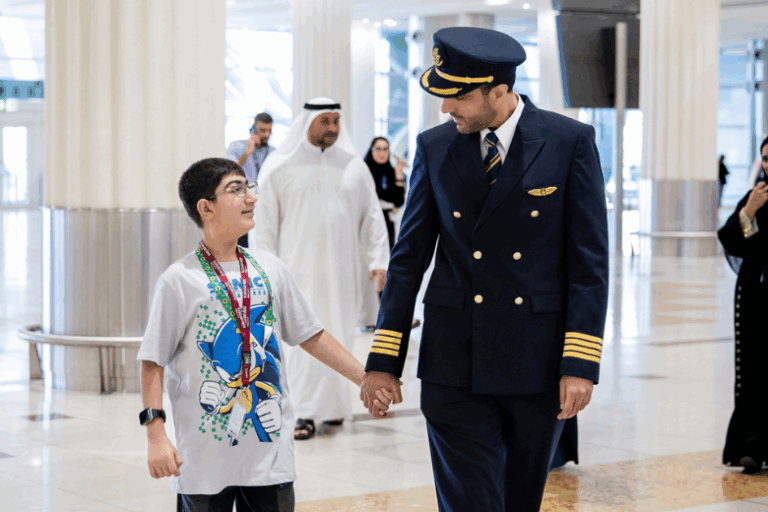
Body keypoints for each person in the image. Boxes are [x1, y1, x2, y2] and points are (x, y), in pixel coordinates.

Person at [360, 27, 609, 512]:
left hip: (535, 360)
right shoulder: (435, 147)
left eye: (457, 97)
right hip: (454, 361)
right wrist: (384, 360)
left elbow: (589, 264)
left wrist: (580, 364)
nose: (445, 108)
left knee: (519, 499)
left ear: (498, 91)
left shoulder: (568, 141)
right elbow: (408, 260)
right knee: (470, 502)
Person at [137, 158, 389, 512]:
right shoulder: (179, 280)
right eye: (236, 190)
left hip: (270, 458)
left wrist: (365, 378)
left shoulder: (269, 267)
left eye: (249, 187)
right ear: (206, 208)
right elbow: (152, 361)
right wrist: (156, 436)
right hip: (204, 461)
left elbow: (311, 335)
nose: (251, 197)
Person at [252, 98, 390, 440]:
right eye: (325, 120)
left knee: (339, 337)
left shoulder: (353, 167)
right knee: (300, 343)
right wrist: (264, 271)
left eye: (336, 121)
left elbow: (372, 217)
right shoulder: (280, 165)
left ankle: (334, 409)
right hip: (294, 275)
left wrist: (378, 261)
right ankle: (303, 413)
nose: (332, 127)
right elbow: (263, 224)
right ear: (307, 122)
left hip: (342, 274)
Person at [718, 136, 768, 474]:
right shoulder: (758, 195)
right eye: (765, 158)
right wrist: (749, 211)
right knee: (755, 369)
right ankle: (752, 446)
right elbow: (736, 240)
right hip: (758, 298)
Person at [226, 113, 276, 247]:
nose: (266, 135)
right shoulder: (237, 147)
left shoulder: (274, 153)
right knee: (241, 245)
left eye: (269, 131)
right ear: (253, 129)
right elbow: (230, 171)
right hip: (242, 206)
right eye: (262, 130)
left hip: (264, 206)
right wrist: (248, 151)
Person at [364, 137, 407, 250]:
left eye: (385, 149)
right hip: (368, 221)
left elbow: (399, 201)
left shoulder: (391, 172)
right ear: (372, 150)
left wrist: (399, 175)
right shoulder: (364, 171)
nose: (382, 153)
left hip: (387, 223)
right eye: (378, 149)